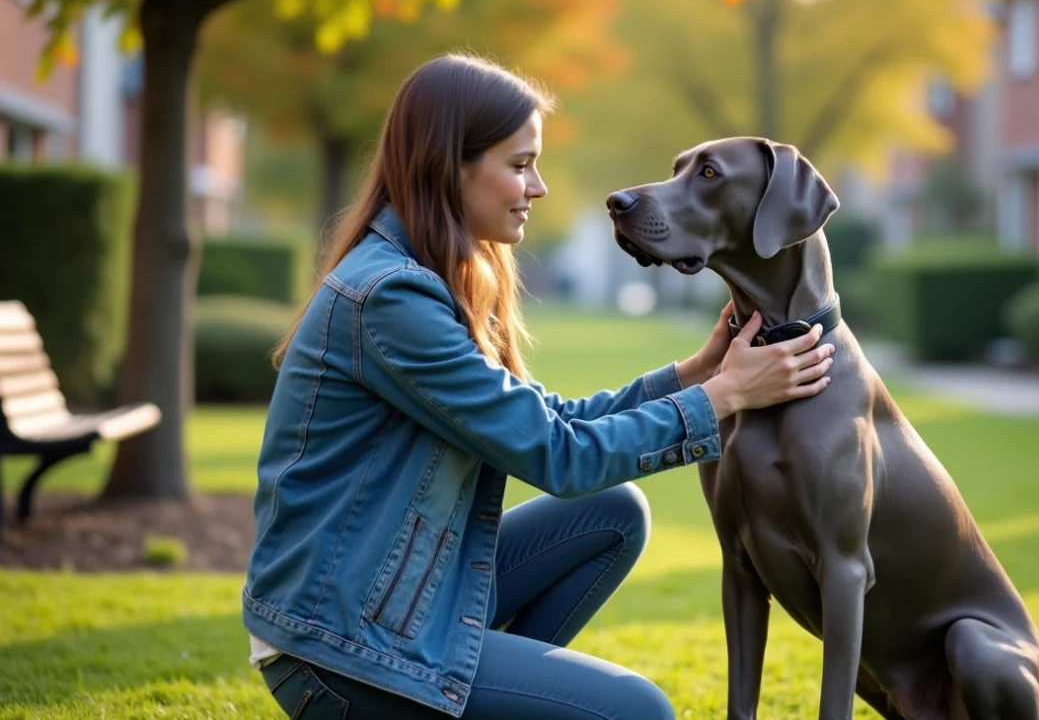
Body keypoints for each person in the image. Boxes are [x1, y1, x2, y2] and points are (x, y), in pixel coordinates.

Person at [242, 53, 836, 720]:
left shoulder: (425, 275)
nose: (539, 186)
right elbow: (558, 454)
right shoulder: (392, 298)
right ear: (450, 165)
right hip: (339, 647)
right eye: (520, 164)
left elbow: (546, 419)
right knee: (639, 711)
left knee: (614, 514)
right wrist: (721, 398)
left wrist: (691, 375)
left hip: (396, 597)